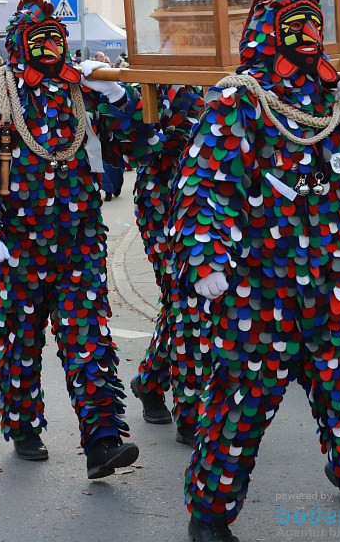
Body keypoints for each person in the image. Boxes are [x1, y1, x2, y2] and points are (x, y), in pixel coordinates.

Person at [167, 0, 340, 541]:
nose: (307, 33)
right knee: (239, 411)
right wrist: (207, 262)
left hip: (336, 285)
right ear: (269, 33)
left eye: (314, 23)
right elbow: (206, 185)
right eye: (294, 24)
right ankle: (209, 515)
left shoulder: (331, 103)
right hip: (259, 291)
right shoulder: (239, 98)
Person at [0, 0, 158, 479]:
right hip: (17, 244)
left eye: (53, 40)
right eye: (37, 40)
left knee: (89, 338)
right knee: (20, 340)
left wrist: (119, 98)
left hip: (79, 241)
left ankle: (103, 440)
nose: (48, 49)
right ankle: (23, 426)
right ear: (20, 44)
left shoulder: (80, 93)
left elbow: (138, 147)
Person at [128, 85, 205, 442]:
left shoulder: (226, 79)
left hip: (208, 201)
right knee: (185, 299)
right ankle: (190, 411)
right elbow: (143, 147)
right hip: (164, 198)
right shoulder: (153, 85)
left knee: (183, 303)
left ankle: (149, 380)